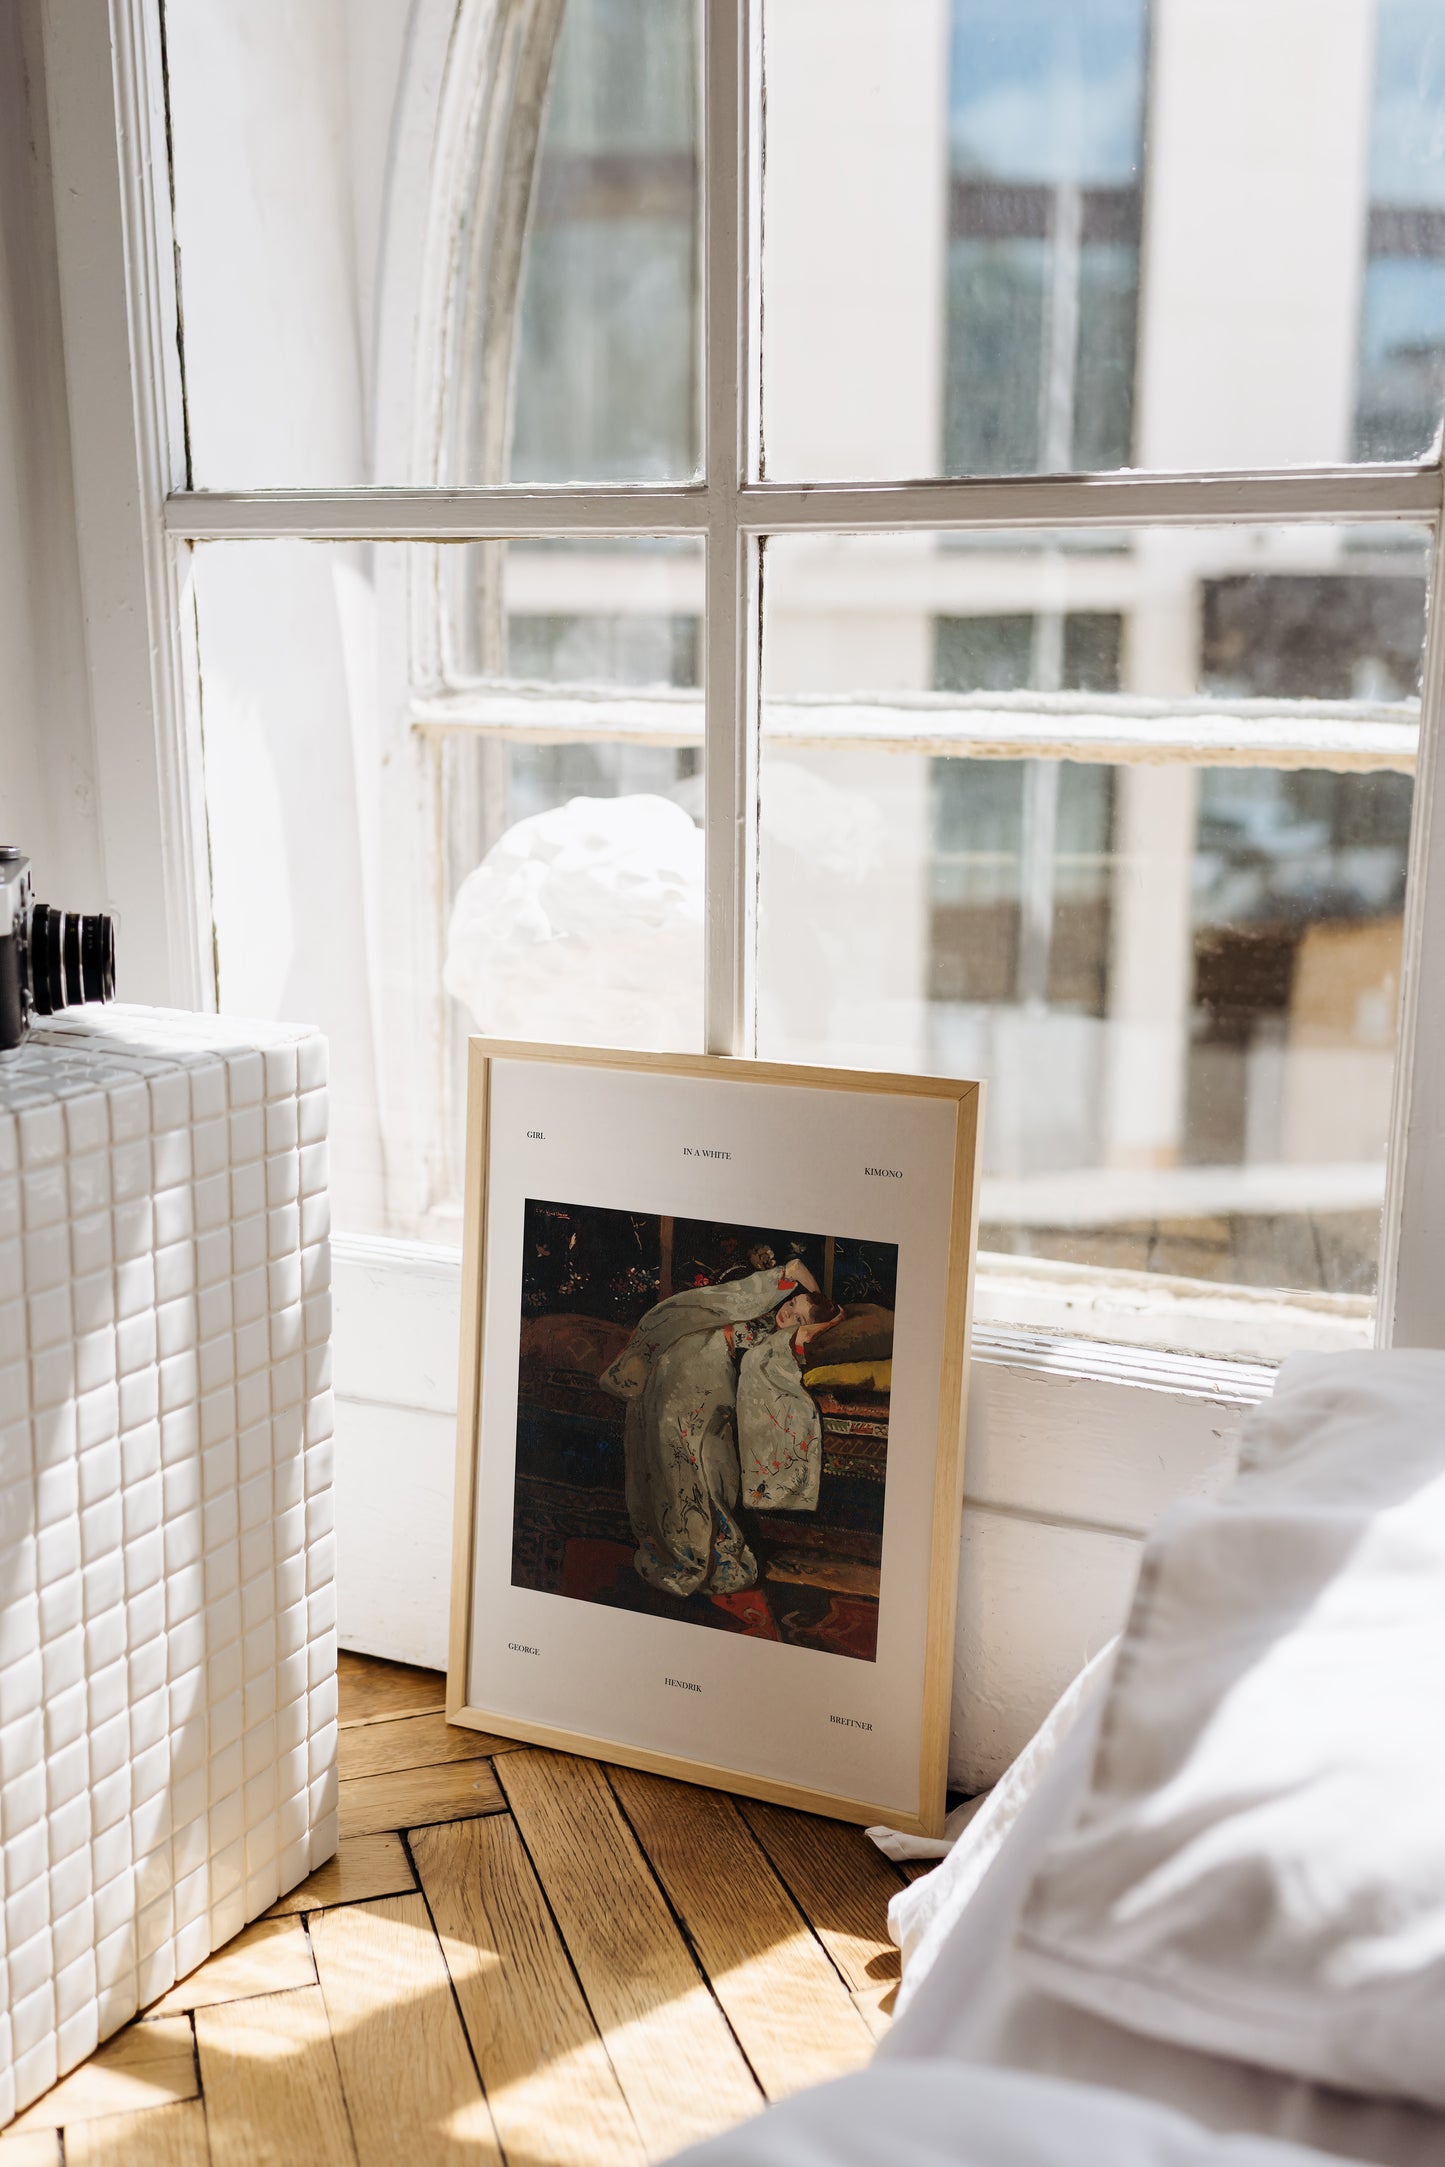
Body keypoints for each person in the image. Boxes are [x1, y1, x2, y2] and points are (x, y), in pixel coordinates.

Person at [599, 1258, 840, 1599]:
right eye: (790, 1305)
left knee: (698, 1454)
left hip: (709, 1374)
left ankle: (699, 1549)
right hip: (689, 1353)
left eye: (799, 1317)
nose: (789, 1314)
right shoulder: (762, 1304)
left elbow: (817, 1328)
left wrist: (825, 1314)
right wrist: (813, 1296)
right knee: (665, 1435)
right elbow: (797, 1266)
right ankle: (671, 1543)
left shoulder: (785, 1338)